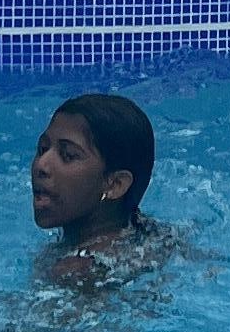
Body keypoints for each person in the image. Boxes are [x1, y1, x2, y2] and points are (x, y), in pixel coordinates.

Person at [29, 92, 154, 259]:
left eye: (68, 155)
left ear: (114, 184)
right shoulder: (153, 236)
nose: (41, 164)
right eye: (43, 149)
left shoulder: (76, 268)